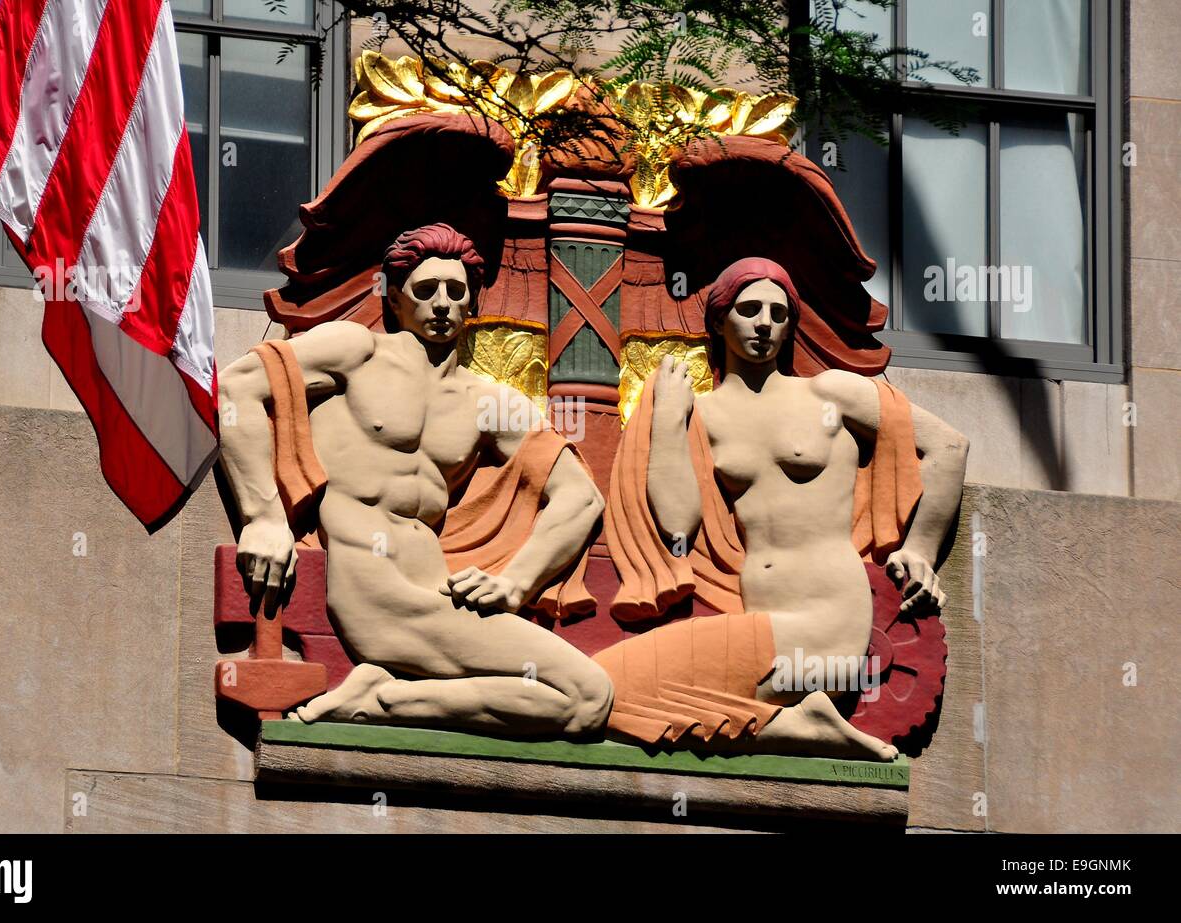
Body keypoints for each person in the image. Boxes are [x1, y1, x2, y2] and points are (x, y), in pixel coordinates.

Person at [217, 223, 613, 737]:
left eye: (457, 291)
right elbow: (236, 388)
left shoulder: (487, 402)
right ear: (395, 298)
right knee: (585, 697)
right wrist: (263, 517)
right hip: (374, 585)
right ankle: (381, 700)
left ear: (473, 303)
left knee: (586, 699)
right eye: (426, 291)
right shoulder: (357, 352)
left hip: (441, 590)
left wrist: (515, 583)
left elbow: (581, 495)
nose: (443, 303)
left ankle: (383, 697)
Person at [595, 257, 969, 760]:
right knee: (609, 692)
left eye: (778, 312)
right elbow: (678, 524)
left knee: (608, 689)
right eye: (749, 309)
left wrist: (920, 549)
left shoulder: (830, 394)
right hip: (758, 617)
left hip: (826, 621)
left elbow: (947, 446)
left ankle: (801, 724)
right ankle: (798, 725)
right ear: (719, 321)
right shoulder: (703, 413)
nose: (765, 322)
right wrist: (667, 417)